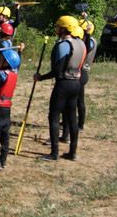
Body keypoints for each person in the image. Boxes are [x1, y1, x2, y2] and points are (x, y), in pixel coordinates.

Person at [34, 16, 87, 161]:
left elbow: (57, 71)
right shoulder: (81, 44)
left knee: (54, 116)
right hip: (76, 83)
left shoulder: (63, 45)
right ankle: (72, 153)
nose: (56, 29)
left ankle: (54, 153)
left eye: (58, 27)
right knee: (72, 117)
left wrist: (40, 77)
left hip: (63, 85)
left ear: (64, 28)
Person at [0, 46, 21, 170]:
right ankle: (3, 161)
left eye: (1, 58)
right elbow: (16, 63)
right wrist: (20, 52)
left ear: (6, 63)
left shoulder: (3, 75)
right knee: (4, 136)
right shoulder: (14, 72)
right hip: (6, 110)